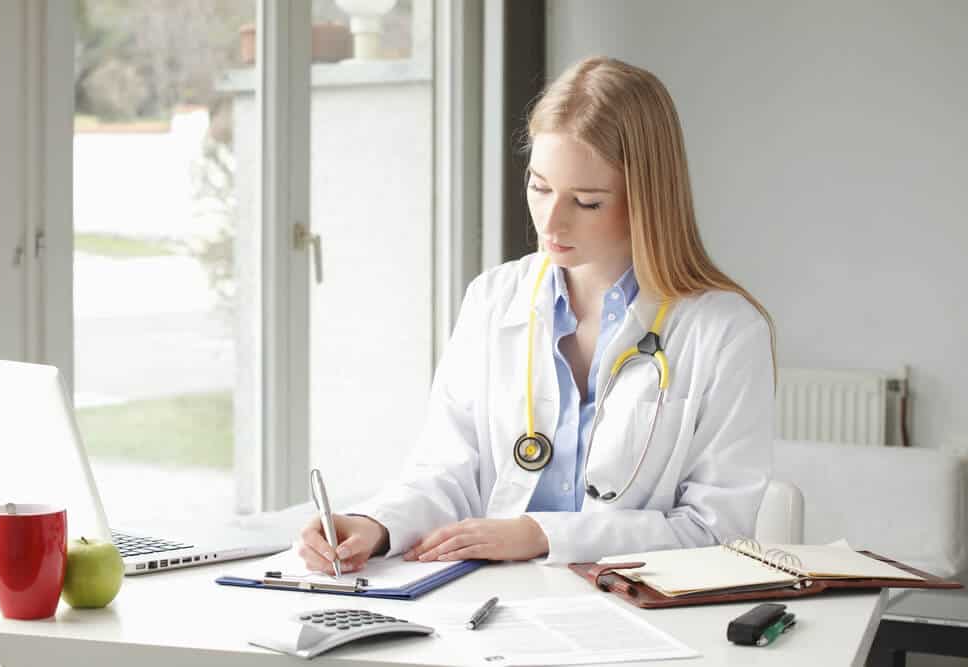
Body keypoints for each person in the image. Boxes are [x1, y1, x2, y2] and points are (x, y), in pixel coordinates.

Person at [300, 56, 775, 573]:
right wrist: (377, 525)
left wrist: (540, 535)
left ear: (647, 198)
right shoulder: (492, 299)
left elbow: (716, 530)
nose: (551, 220)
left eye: (587, 201)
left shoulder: (725, 331)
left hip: (636, 615)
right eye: (540, 186)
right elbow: (445, 471)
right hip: (493, 604)